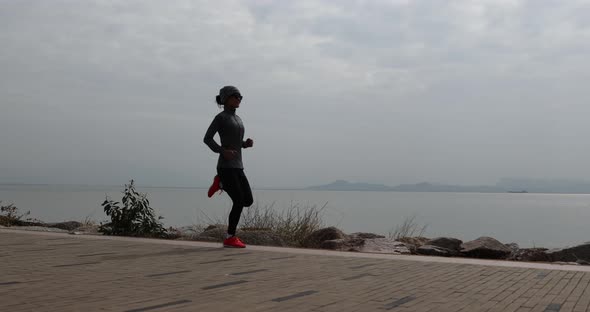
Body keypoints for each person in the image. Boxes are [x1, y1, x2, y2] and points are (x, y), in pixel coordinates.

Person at [204, 86, 254, 248]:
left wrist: (244, 144)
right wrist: (222, 151)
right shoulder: (221, 118)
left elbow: (235, 143)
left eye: (240, 97)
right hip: (225, 166)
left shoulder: (238, 119)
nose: (239, 99)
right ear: (225, 98)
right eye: (235, 96)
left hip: (238, 166)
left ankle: (221, 183)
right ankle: (230, 237)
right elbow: (207, 139)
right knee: (238, 201)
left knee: (248, 200)